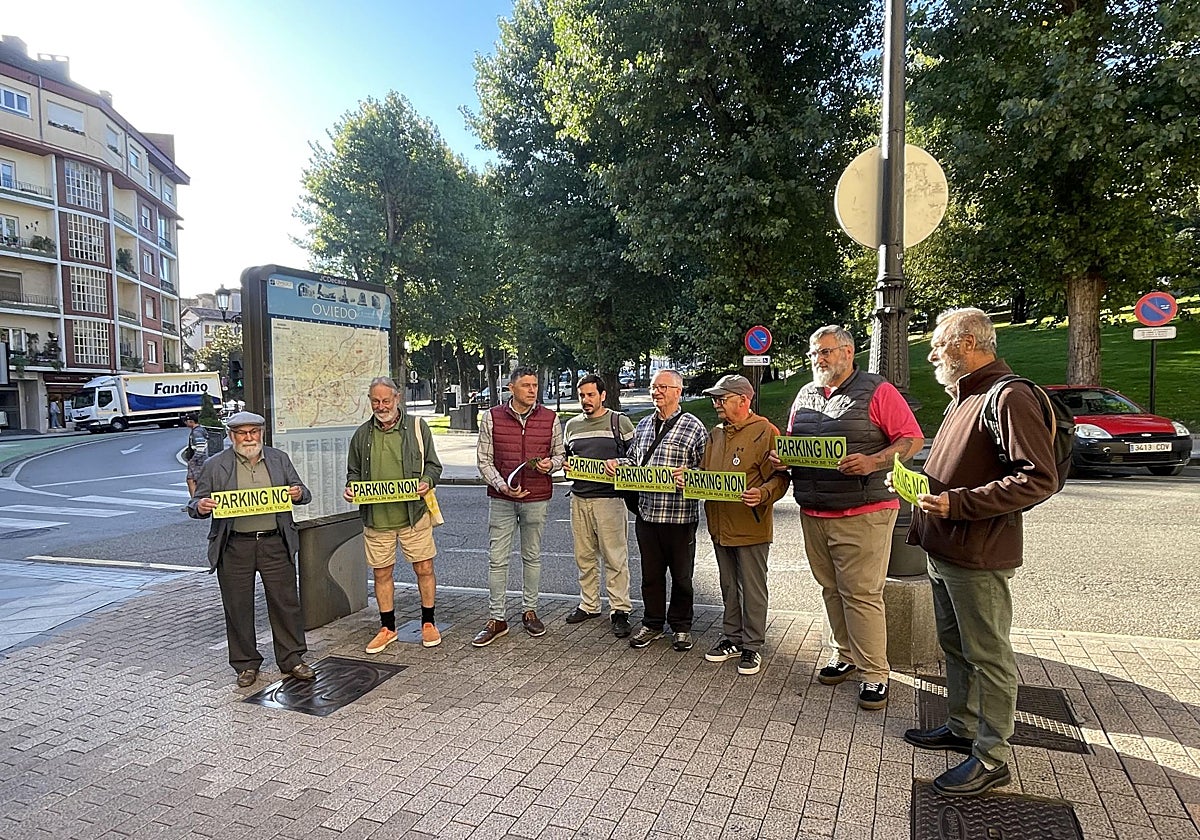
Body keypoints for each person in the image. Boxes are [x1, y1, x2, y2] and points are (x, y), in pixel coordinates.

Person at [900, 307, 1057, 797]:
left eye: (938, 343)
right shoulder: (962, 396)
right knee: (955, 645)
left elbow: (1038, 478)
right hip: (945, 546)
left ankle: (991, 756)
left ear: (968, 342)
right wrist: (919, 484)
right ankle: (963, 727)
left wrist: (957, 502)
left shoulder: (1008, 395)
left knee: (988, 655)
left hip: (979, 552)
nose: (930, 354)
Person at [774, 325, 923, 711]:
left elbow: (911, 439)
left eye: (824, 352)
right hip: (814, 508)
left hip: (863, 511)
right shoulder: (806, 394)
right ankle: (845, 654)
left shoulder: (877, 390)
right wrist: (785, 457)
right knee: (831, 588)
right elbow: (795, 443)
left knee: (861, 593)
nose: (818, 359)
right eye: (813, 353)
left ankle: (875, 673)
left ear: (847, 352)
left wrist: (873, 461)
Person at [187, 411, 315, 688]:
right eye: (242, 433)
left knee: (285, 603)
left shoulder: (278, 459)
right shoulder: (215, 465)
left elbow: (304, 492)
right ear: (232, 436)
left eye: (254, 432)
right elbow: (195, 504)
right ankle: (246, 664)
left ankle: (292, 659)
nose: (249, 438)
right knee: (238, 606)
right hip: (235, 545)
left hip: (274, 541)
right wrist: (200, 506)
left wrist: (297, 493)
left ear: (262, 433)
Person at [692, 375, 790, 676]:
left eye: (722, 399)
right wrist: (692, 477)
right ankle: (732, 638)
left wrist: (763, 494)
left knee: (752, 587)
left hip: (751, 525)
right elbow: (705, 472)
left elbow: (782, 477)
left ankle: (753, 645)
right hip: (720, 524)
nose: (716, 404)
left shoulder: (765, 432)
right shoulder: (716, 433)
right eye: (716, 399)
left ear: (743, 401)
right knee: (727, 584)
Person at [607, 368, 706, 652]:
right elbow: (634, 462)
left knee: (682, 576)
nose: (656, 392)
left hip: (680, 515)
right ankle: (652, 623)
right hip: (648, 513)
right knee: (650, 575)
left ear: (678, 391)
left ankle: (681, 626)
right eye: (653, 387)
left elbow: (708, 469)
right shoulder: (643, 425)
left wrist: (691, 473)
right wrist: (617, 465)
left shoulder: (694, 426)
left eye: (663, 387)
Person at [344, 377, 444, 653]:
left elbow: (434, 465)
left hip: (414, 514)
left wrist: (427, 481)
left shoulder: (416, 427)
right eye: (375, 401)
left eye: (385, 400)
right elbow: (353, 472)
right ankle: (387, 628)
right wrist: (351, 488)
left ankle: (428, 622)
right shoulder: (362, 434)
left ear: (397, 398)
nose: (380, 406)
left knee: (424, 568)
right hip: (377, 518)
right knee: (381, 573)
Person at [473, 366, 566, 647]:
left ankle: (529, 611)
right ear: (510, 388)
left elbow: (561, 454)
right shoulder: (492, 417)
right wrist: (502, 485)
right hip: (502, 498)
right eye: (525, 385)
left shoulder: (550, 418)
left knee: (532, 556)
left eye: (535, 385)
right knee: (497, 559)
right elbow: (483, 460)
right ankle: (497, 618)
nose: (532, 390)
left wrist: (552, 464)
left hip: (537, 496)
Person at [563, 374, 636, 638]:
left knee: (615, 557)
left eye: (591, 395)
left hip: (610, 500)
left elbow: (637, 458)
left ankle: (619, 610)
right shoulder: (571, 426)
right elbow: (567, 459)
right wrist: (565, 466)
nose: (586, 400)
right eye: (582, 395)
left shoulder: (619, 422)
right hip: (579, 498)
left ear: (603, 395)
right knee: (584, 556)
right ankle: (589, 604)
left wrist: (620, 464)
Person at [184, 414, 209, 497]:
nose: (185, 423)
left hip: (199, 461)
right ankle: (195, 501)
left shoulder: (197, 432)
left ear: (191, 421)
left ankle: (195, 502)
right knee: (191, 480)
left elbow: (200, 448)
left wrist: (193, 459)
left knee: (193, 480)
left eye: (186, 421)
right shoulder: (200, 430)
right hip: (200, 460)